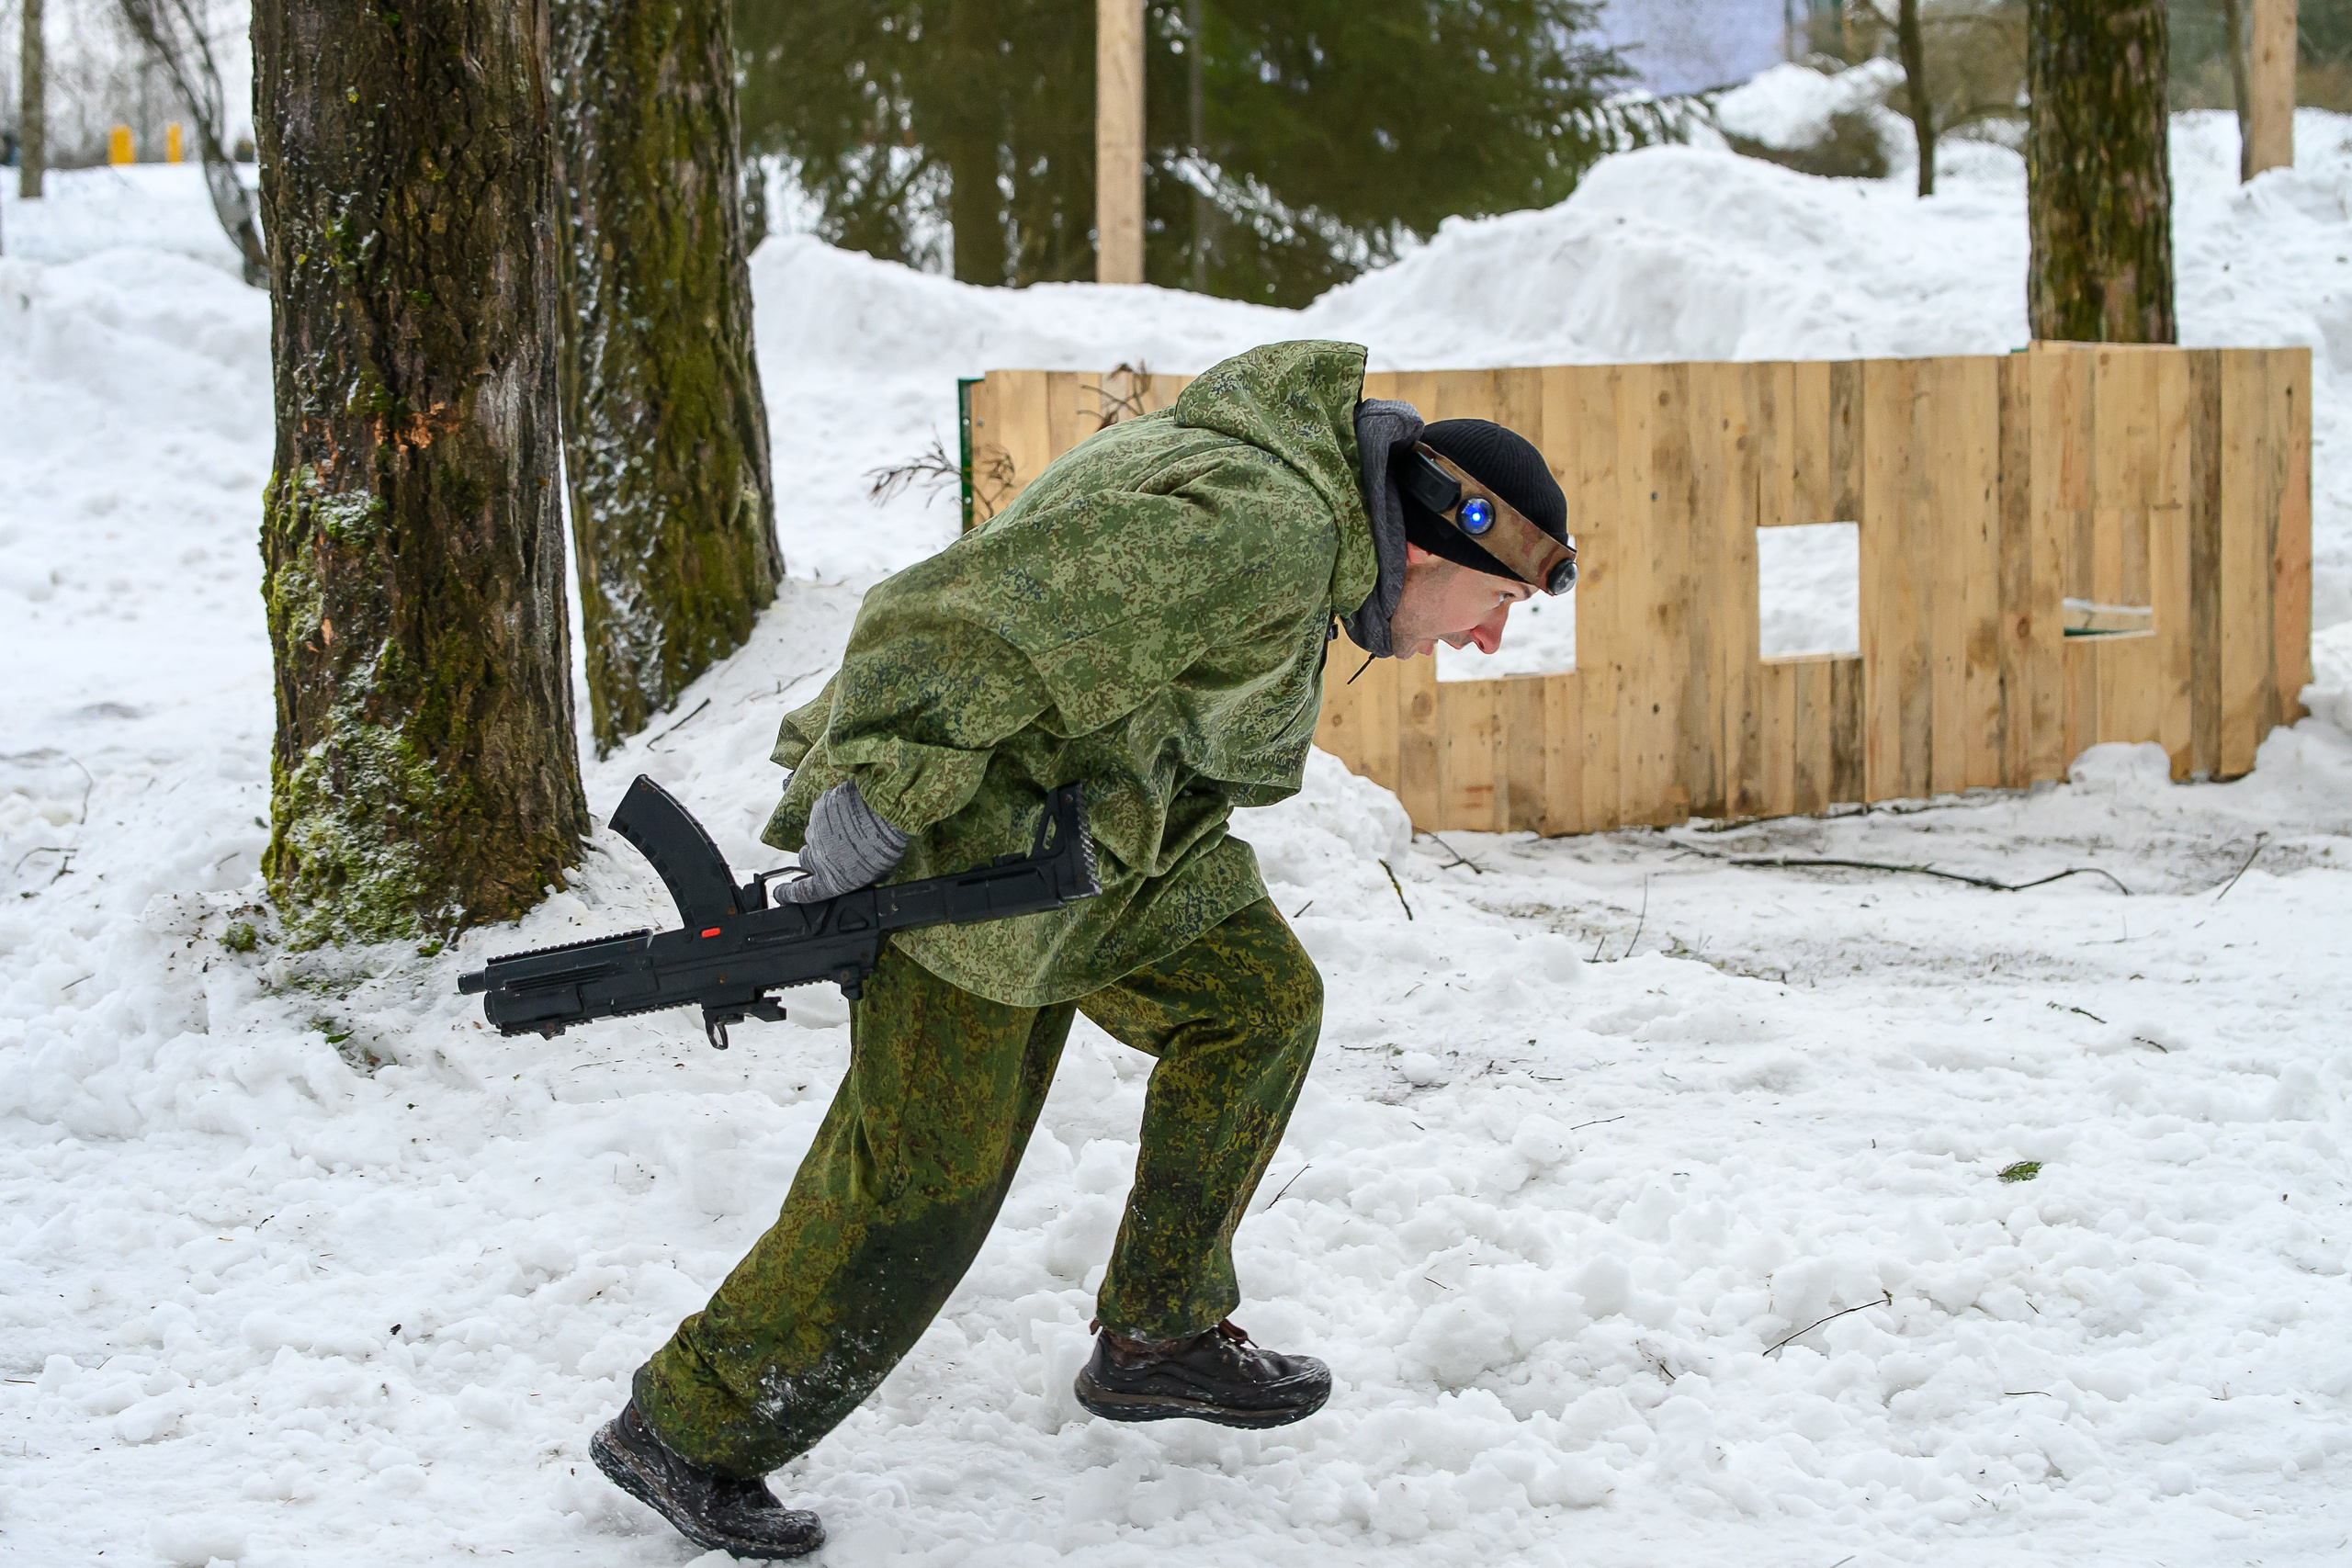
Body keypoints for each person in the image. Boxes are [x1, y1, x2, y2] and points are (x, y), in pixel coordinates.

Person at [589, 339, 1575, 1559]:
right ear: (1433, 547)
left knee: (1256, 1003)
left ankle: (1159, 1331)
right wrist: (885, 790)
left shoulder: (1302, 530)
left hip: (1104, 850)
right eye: (1499, 606)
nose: (1486, 641)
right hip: (975, 850)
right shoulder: (1260, 529)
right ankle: (687, 1429)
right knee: (925, 1180)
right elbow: (975, 616)